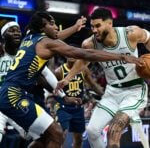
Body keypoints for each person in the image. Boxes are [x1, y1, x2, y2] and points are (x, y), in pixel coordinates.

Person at [0, 11, 143, 148]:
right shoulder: (46, 43)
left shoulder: (29, 38)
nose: (56, 27)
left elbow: (55, 39)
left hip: (9, 94)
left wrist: (62, 96)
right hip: (14, 95)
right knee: (56, 135)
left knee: (45, 138)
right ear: (43, 28)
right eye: (52, 24)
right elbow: (84, 53)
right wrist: (121, 56)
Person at [55, 8, 150, 148]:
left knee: (114, 131)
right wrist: (67, 78)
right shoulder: (90, 44)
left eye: (98, 25)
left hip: (134, 91)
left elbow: (147, 38)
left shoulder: (131, 33)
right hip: (111, 93)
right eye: (92, 26)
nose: (94, 30)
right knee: (92, 131)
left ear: (110, 23)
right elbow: (82, 61)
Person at [54, 57, 104, 148]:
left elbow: (93, 85)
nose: (72, 57)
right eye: (69, 54)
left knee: (79, 139)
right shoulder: (59, 71)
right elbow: (54, 91)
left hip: (78, 108)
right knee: (61, 134)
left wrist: (105, 95)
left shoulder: (84, 69)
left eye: (74, 55)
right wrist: (66, 98)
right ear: (65, 56)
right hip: (63, 107)